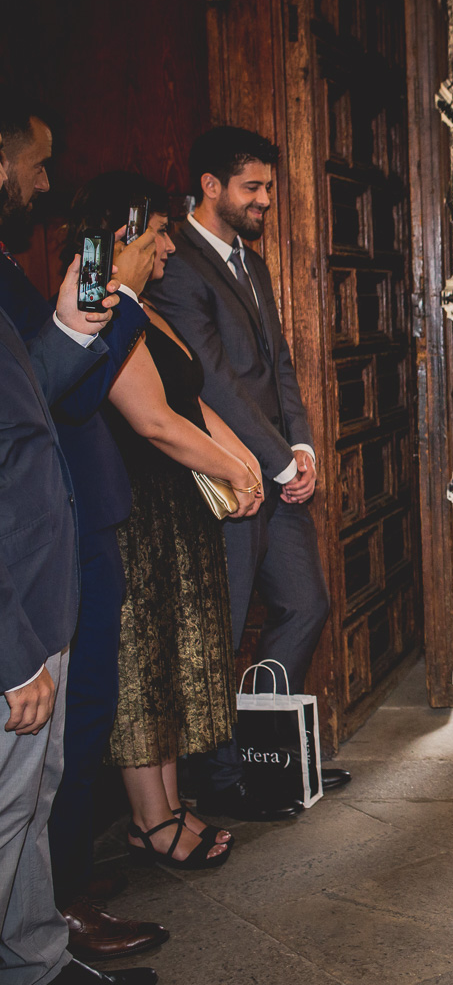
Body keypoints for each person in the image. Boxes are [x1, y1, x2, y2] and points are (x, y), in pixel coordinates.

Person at [0, 98, 170, 974]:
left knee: (36, 787)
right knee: (13, 802)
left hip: (51, 558)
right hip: (22, 593)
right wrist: (15, 645)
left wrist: (72, 325)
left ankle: (37, 953)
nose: (43, 181)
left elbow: (30, 393)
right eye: (33, 161)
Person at [60, 173, 263, 873]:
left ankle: (171, 806)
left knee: (175, 663)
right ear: (117, 240)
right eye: (155, 237)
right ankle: (151, 822)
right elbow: (151, 421)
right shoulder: (101, 309)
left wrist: (240, 458)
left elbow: (190, 400)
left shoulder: (145, 310)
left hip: (177, 510)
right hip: (136, 513)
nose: (168, 250)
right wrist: (233, 471)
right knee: (143, 667)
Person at [150, 126, 343, 821]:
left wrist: (304, 445)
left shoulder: (250, 263)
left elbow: (276, 367)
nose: (266, 200)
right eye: (252, 188)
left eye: (268, 186)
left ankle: (270, 750)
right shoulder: (176, 265)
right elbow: (214, 379)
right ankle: (221, 776)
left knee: (304, 604)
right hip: (224, 477)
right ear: (211, 186)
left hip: (277, 466)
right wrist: (272, 457)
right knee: (222, 627)